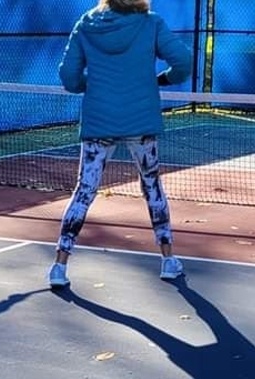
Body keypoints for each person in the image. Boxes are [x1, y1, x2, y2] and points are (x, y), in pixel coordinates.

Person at [47, 0, 193, 288]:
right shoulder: (150, 23)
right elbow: (183, 62)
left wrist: (93, 84)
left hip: (99, 121)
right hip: (140, 122)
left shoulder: (86, 23)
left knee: (84, 191)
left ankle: (59, 266)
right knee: (151, 185)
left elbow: (69, 77)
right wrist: (163, 79)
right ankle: (167, 260)